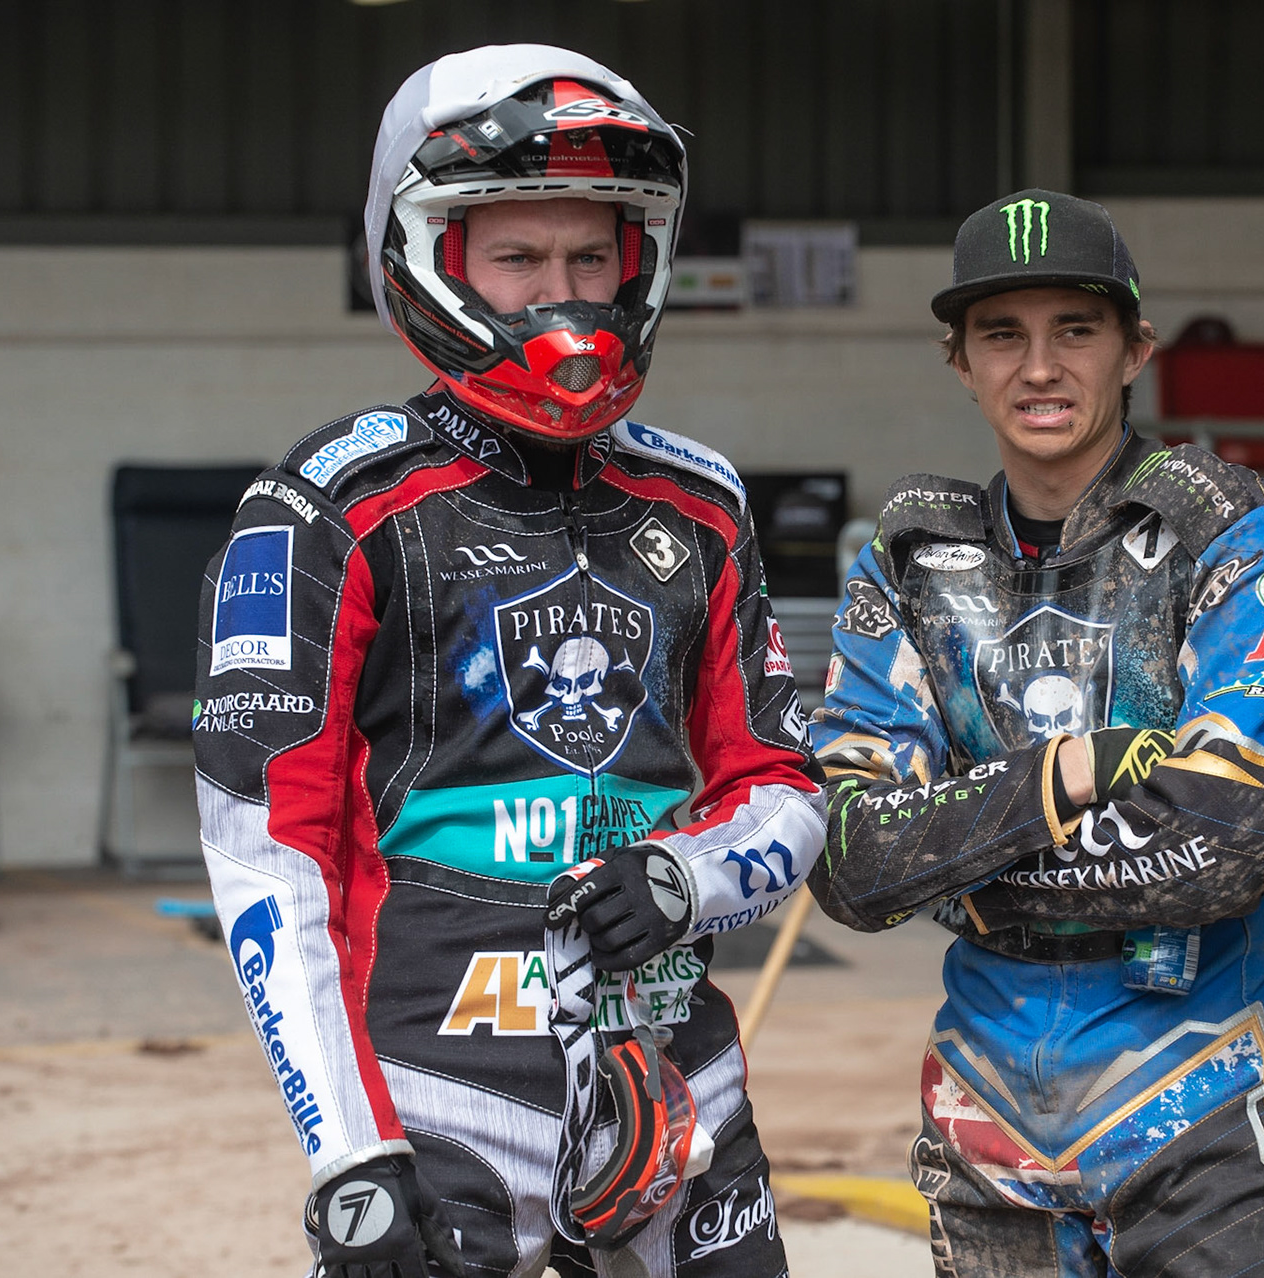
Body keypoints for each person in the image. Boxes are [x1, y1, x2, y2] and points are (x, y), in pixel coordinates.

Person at [193, 45, 823, 1278]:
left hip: (677, 1092)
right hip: (434, 1110)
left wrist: (692, 879)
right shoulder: (328, 505)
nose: (567, 297)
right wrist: (345, 1152)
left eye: (593, 257)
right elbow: (263, 845)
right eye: (519, 259)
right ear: (430, 259)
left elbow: (785, 785)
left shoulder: (701, 500)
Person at [808, 189, 1264, 1277]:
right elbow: (853, 863)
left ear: (1136, 348)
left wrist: (959, 866)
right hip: (985, 1116)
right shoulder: (909, 563)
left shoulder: (1239, 534)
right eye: (1003, 334)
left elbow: (1224, 846)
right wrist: (1072, 775)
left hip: (1197, 1100)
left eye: (1077, 331)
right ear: (958, 359)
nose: (1039, 368)